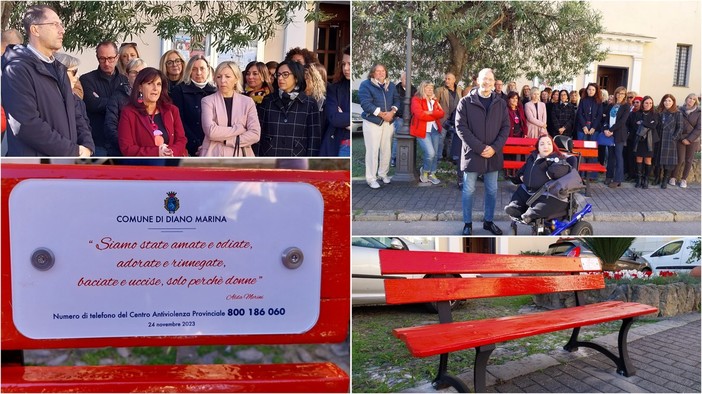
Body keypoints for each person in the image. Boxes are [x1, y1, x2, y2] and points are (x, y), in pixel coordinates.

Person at [2, 4, 94, 156]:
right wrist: (73, 151)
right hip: (36, 170)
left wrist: (87, 145)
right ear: (35, 30)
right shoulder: (17, 70)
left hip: (65, 164)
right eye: (54, 24)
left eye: (61, 24)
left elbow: (75, 112)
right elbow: (27, 125)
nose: (62, 30)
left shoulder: (59, 68)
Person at [455, 68, 509, 235]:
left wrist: (494, 148)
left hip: (493, 154)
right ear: (477, 81)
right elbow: (460, 127)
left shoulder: (500, 103)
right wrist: (480, 147)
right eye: (484, 79)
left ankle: (488, 221)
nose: (487, 82)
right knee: (469, 189)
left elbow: (505, 127)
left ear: (494, 83)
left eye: (490, 80)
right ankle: (467, 223)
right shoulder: (465, 101)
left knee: (492, 190)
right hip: (472, 153)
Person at [117, 67, 187, 156]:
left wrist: (170, 151)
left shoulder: (172, 110)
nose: (155, 88)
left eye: (158, 84)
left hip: (169, 165)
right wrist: (156, 152)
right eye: (150, 83)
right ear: (140, 87)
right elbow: (126, 148)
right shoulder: (128, 113)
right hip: (144, 167)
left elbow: (181, 140)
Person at [258, 60, 321, 157]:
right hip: (270, 156)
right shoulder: (268, 100)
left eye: (285, 74)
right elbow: (259, 132)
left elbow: (314, 138)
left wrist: (310, 161)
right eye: (278, 75)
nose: (280, 78)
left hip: (297, 158)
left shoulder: (309, 103)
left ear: (296, 77)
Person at [504, 135, 571, 223]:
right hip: (529, 191)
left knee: (542, 205)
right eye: (542, 144)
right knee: (519, 193)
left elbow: (561, 170)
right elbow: (523, 169)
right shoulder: (533, 157)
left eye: (549, 144)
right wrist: (521, 175)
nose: (546, 146)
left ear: (553, 146)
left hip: (548, 195)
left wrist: (549, 162)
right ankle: (515, 207)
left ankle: (530, 215)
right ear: (538, 147)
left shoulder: (557, 158)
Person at [199, 61, 260, 157]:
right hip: (213, 154)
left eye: (227, 76)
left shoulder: (247, 102)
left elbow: (255, 134)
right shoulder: (207, 101)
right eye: (219, 77)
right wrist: (240, 129)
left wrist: (227, 140)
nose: (223, 80)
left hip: (241, 155)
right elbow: (211, 132)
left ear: (236, 79)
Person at [80, 40, 128, 156]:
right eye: (102, 59)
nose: (106, 63)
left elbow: (129, 106)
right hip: (97, 142)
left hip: (120, 141)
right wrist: (117, 103)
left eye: (110, 58)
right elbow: (92, 104)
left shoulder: (125, 81)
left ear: (117, 57)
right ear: (97, 58)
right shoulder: (87, 79)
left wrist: (102, 101)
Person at [358, 63, 400, 188]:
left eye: (383, 71)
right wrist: (382, 114)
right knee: (372, 151)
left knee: (386, 149)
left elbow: (397, 100)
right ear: (373, 73)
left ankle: (383, 174)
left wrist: (392, 112)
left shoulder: (391, 85)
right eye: (378, 71)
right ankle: (371, 178)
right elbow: (365, 103)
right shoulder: (366, 85)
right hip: (372, 122)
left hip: (388, 122)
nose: (381, 73)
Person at [170, 54, 217, 156]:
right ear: (189, 71)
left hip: (212, 147)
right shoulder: (179, 90)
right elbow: (179, 121)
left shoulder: (215, 91)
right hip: (188, 145)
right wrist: (195, 145)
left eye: (202, 68)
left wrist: (207, 145)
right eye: (194, 69)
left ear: (208, 70)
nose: (198, 73)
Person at [104, 58, 147, 156]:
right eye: (134, 72)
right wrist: (127, 145)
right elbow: (110, 126)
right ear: (127, 75)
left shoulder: (152, 96)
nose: (138, 75)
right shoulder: (117, 96)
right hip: (121, 151)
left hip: (146, 151)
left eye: (141, 73)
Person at [410, 81, 445, 184]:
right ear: (422, 88)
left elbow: (442, 113)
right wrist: (434, 114)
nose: (430, 90)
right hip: (422, 130)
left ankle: (432, 173)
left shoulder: (434, 100)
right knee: (430, 153)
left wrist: (429, 112)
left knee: (435, 154)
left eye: (431, 88)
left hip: (434, 129)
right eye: (428, 88)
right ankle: (424, 171)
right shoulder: (416, 99)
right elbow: (420, 115)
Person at [321, 46, 350, 156]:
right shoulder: (335, 88)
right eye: (343, 64)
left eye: (350, 64)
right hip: (340, 142)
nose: (346, 68)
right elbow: (334, 118)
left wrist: (346, 120)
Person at [601, 86, 631, 187]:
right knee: (610, 157)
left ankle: (617, 179)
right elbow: (605, 120)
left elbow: (622, 121)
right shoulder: (611, 105)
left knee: (618, 156)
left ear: (625, 95)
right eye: (618, 93)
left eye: (622, 94)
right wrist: (605, 129)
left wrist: (611, 130)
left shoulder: (626, 106)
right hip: (609, 134)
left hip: (619, 135)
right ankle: (608, 176)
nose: (619, 95)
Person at [670, 93, 700, 188]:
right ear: (686, 99)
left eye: (693, 99)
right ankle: (673, 177)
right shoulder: (679, 110)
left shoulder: (699, 112)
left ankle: (684, 179)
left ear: (696, 101)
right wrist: (682, 138)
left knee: (689, 160)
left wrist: (689, 139)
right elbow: (675, 125)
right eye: (690, 98)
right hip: (681, 139)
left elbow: (699, 128)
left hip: (693, 140)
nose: (691, 100)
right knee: (680, 159)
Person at [630, 96, 659, 189]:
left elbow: (654, 125)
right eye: (646, 103)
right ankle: (639, 179)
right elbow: (634, 126)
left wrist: (642, 123)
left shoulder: (655, 114)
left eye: (650, 103)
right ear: (643, 104)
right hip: (639, 140)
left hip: (650, 140)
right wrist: (647, 123)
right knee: (639, 159)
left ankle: (645, 179)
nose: (648, 105)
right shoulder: (637, 113)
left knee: (647, 159)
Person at [656, 94, 683, 189]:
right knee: (658, 159)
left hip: (669, 140)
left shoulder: (677, 113)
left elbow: (680, 127)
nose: (667, 103)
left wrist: (674, 138)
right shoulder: (659, 112)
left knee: (668, 162)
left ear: (673, 102)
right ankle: (657, 178)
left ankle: (665, 179)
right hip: (659, 139)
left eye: (669, 101)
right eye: (665, 101)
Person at [391, 71, 416, 167]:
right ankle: (394, 158)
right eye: (405, 78)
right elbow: (392, 102)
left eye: (409, 78)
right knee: (398, 138)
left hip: (411, 118)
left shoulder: (414, 89)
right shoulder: (396, 89)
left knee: (411, 138)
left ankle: (408, 157)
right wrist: (395, 115)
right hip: (400, 118)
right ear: (401, 79)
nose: (407, 80)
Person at [436, 72, 460, 161]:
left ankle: (450, 157)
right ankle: (438, 157)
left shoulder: (459, 90)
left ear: (454, 80)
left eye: (449, 79)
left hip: (455, 119)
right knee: (441, 139)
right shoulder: (439, 90)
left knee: (452, 139)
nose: (446, 80)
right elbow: (435, 104)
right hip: (443, 119)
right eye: (446, 78)